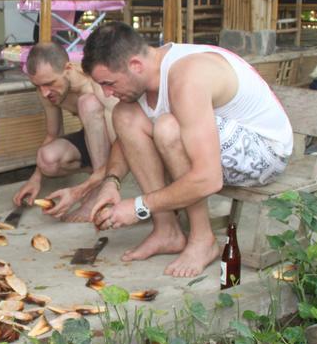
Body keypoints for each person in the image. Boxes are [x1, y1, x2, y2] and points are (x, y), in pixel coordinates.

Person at [85, 23, 293, 278]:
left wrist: (139, 206)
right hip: (218, 148)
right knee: (125, 114)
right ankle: (166, 231)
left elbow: (208, 178)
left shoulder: (188, 77)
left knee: (168, 128)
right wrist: (112, 181)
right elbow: (124, 137)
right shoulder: (149, 71)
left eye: (108, 83)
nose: (106, 92)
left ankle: (202, 239)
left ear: (135, 65)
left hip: (265, 154)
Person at [12, 42, 118, 221]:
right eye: (38, 86)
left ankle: (98, 192)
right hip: (93, 141)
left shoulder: (95, 83)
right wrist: (35, 179)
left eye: (49, 83)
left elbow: (121, 140)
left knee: (88, 104)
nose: (44, 93)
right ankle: (96, 173)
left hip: (120, 143)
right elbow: (53, 134)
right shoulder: (46, 91)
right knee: (47, 160)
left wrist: (82, 190)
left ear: (68, 68)